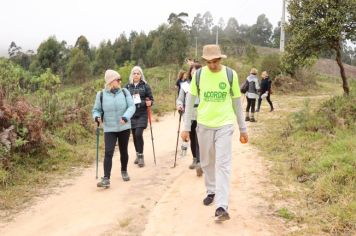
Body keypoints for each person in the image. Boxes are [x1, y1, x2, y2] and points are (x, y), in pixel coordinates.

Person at [181, 45, 248, 222]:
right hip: (203, 124)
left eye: (215, 61)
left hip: (225, 125)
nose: (212, 65)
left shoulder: (230, 75)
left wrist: (243, 128)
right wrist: (186, 127)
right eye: (209, 62)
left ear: (221, 59)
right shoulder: (198, 75)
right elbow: (189, 103)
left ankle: (222, 206)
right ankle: (211, 190)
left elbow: (236, 103)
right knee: (207, 161)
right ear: (204, 61)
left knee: (223, 164)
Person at [92, 69, 136, 188]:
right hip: (109, 128)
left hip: (124, 127)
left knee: (123, 150)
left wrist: (126, 117)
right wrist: (96, 117)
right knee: (108, 152)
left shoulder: (125, 92)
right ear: (111, 81)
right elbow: (96, 110)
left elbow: (131, 107)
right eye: (118, 79)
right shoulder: (100, 95)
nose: (120, 81)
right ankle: (106, 178)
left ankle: (124, 170)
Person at [176, 63, 203, 176]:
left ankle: (200, 162)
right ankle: (195, 159)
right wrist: (179, 105)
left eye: (197, 71)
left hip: (202, 114)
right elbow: (180, 99)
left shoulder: (204, 84)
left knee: (199, 138)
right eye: (192, 71)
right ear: (190, 73)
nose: (194, 73)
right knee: (192, 137)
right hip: (189, 114)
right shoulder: (185, 85)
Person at [125, 66, 154, 168]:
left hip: (142, 113)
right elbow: (124, 100)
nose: (136, 75)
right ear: (131, 75)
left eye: (138, 73)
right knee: (134, 136)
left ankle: (141, 156)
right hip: (131, 114)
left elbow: (151, 99)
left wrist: (149, 102)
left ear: (141, 75)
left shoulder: (145, 86)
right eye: (134, 73)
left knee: (138, 134)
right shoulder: (127, 87)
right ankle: (137, 154)